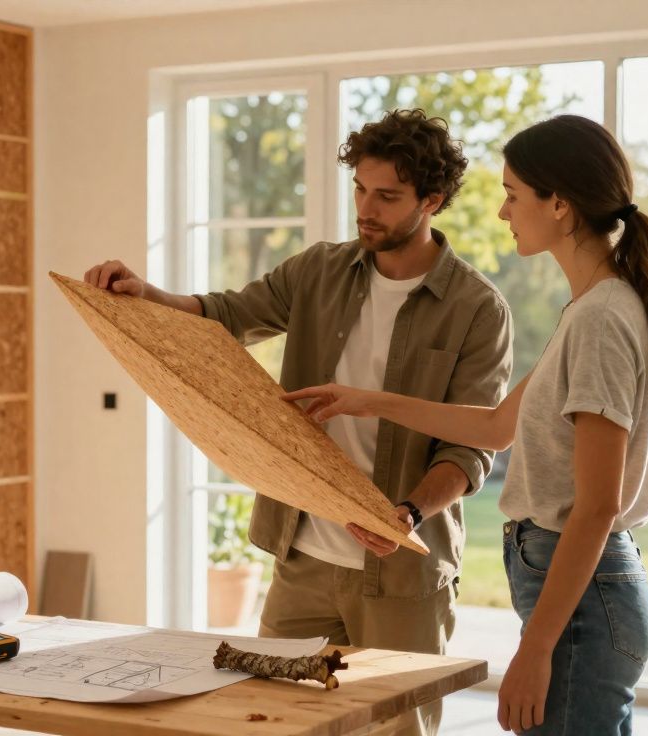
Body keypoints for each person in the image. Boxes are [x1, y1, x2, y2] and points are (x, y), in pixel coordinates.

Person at [283, 114, 648, 735]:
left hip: (585, 597)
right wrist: (367, 401)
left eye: (514, 195)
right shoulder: (589, 308)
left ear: (559, 205)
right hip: (577, 588)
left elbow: (597, 506)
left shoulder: (600, 318)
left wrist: (535, 650)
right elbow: (493, 426)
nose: (502, 212)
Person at [84, 108, 512, 735]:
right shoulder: (318, 269)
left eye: (387, 196)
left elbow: (470, 449)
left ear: (432, 200)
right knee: (269, 719)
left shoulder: (478, 310)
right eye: (360, 190)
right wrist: (147, 294)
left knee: (399, 730)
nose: (366, 208)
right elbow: (226, 313)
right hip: (302, 558)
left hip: (402, 575)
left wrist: (409, 514)